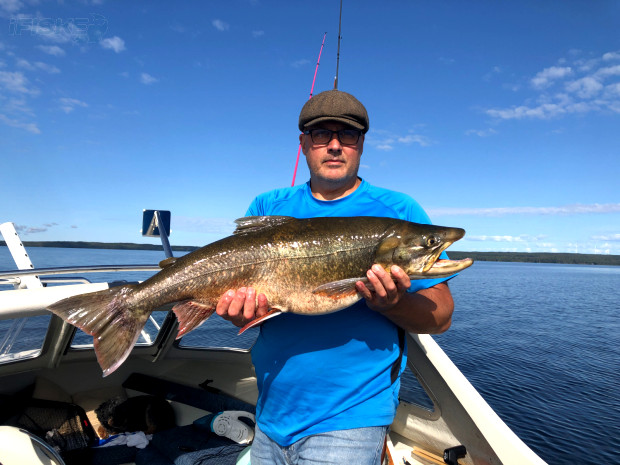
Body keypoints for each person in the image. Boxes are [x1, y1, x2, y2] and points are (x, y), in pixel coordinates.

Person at [215, 89, 455, 464]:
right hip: (271, 412)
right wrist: (237, 314)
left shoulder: (399, 212)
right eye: (321, 134)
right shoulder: (267, 205)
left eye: (348, 134)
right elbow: (244, 307)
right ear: (303, 144)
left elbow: (440, 316)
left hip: (351, 419)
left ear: (361, 144)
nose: (334, 145)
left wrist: (394, 304)